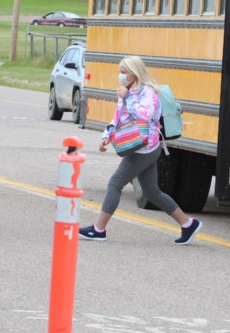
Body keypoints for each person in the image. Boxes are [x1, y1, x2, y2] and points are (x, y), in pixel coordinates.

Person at [79, 56, 202, 245]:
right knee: (152, 192)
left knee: (115, 183)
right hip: (140, 146)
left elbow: (145, 116)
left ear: (135, 73)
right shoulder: (125, 92)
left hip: (145, 148)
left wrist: (128, 98)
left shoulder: (149, 93)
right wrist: (106, 136)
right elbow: (117, 119)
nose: (121, 76)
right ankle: (188, 223)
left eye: (124, 72)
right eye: (120, 72)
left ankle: (99, 229)